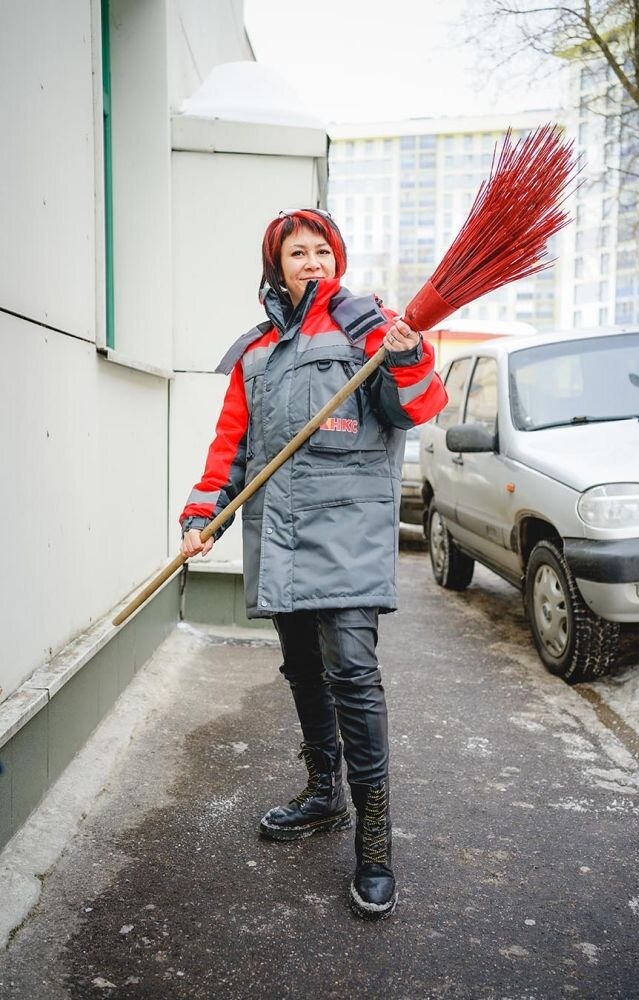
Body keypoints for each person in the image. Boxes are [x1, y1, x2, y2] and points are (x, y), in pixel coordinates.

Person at [179, 209, 447, 920]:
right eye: (296, 252)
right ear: (276, 265)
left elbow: (415, 409)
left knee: (352, 676)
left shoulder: (369, 327)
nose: (310, 261)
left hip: (348, 533)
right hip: (283, 535)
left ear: (338, 259)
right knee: (301, 668)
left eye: (320, 249)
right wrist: (203, 514)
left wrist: (406, 354)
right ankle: (324, 792)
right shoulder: (257, 351)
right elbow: (230, 444)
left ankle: (375, 837)